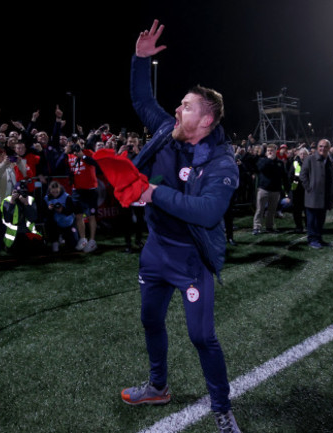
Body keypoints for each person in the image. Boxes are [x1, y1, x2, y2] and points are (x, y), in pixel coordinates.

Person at [119, 20, 241, 433]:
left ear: (206, 121)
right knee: (149, 320)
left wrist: (152, 193)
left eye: (187, 107)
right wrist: (140, 59)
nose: (177, 109)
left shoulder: (221, 162)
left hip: (191, 258)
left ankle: (222, 407)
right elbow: (141, 98)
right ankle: (157, 386)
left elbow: (207, 213)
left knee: (201, 337)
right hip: (156, 250)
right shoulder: (165, 132)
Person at [299, 139, 333, 248]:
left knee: (320, 220)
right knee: (312, 220)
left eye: (325, 147)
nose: (322, 148)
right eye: (320, 146)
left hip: (325, 196)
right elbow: (303, 175)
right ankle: (312, 239)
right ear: (317, 147)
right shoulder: (310, 159)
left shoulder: (329, 161)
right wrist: (309, 188)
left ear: (329, 148)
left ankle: (319, 238)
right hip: (313, 195)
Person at [67, 137, 100, 253]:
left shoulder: (88, 152)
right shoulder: (70, 156)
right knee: (78, 216)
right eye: (76, 143)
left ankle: (92, 241)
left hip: (90, 189)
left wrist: (83, 156)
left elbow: (96, 163)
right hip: (76, 190)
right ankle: (83, 239)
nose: (78, 145)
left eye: (81, 143)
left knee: (91, 216)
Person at [252, 143, 290, 234]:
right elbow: (260, 168)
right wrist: (268, 160)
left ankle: (270, 226)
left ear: (275, 151)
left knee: (272, 210)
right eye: (268, 151)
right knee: (260, 209)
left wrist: (287, 190)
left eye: (272, 151)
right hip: (263, 189)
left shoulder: (280, 163)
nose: (270, 152)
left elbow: (284, 177)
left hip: (275, 190)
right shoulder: (262, 160)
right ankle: (256, 227)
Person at [1, 180, 43, 256]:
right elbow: (7, 219)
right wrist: (12, 203)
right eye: (19, 192)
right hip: (14, 235)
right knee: (20, 249)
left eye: (24, 192)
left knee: (41, 244)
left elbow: (33, 218)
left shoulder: (30, 200)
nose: (22, 194)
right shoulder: (7, 200)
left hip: (28, 232)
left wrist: (26, 204)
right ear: (14, 192)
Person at [43, 180, 78, 252]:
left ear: (60, 189)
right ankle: (55, 240)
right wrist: (49, 209)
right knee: (48, 222)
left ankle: (65, 237)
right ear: (50, 191)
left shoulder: (67, 197)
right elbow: (43, 213)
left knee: (73, 245)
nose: (55, 193)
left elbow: (72, 210)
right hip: (56, 223)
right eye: (53, 192)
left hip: (69, 222)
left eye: (56, 191)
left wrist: (62, 210)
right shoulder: (46, 198)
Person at [288, 146, 309, 232]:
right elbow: (290, 176)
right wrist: (292, 190)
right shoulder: (295, 163)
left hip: (307, 189)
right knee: (297, 209)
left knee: (307, 209)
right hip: (296, 188)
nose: (302, 155)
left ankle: (308, 226)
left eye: (304, 154)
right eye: (301, 154)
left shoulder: (310, 163)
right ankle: (299, 226)